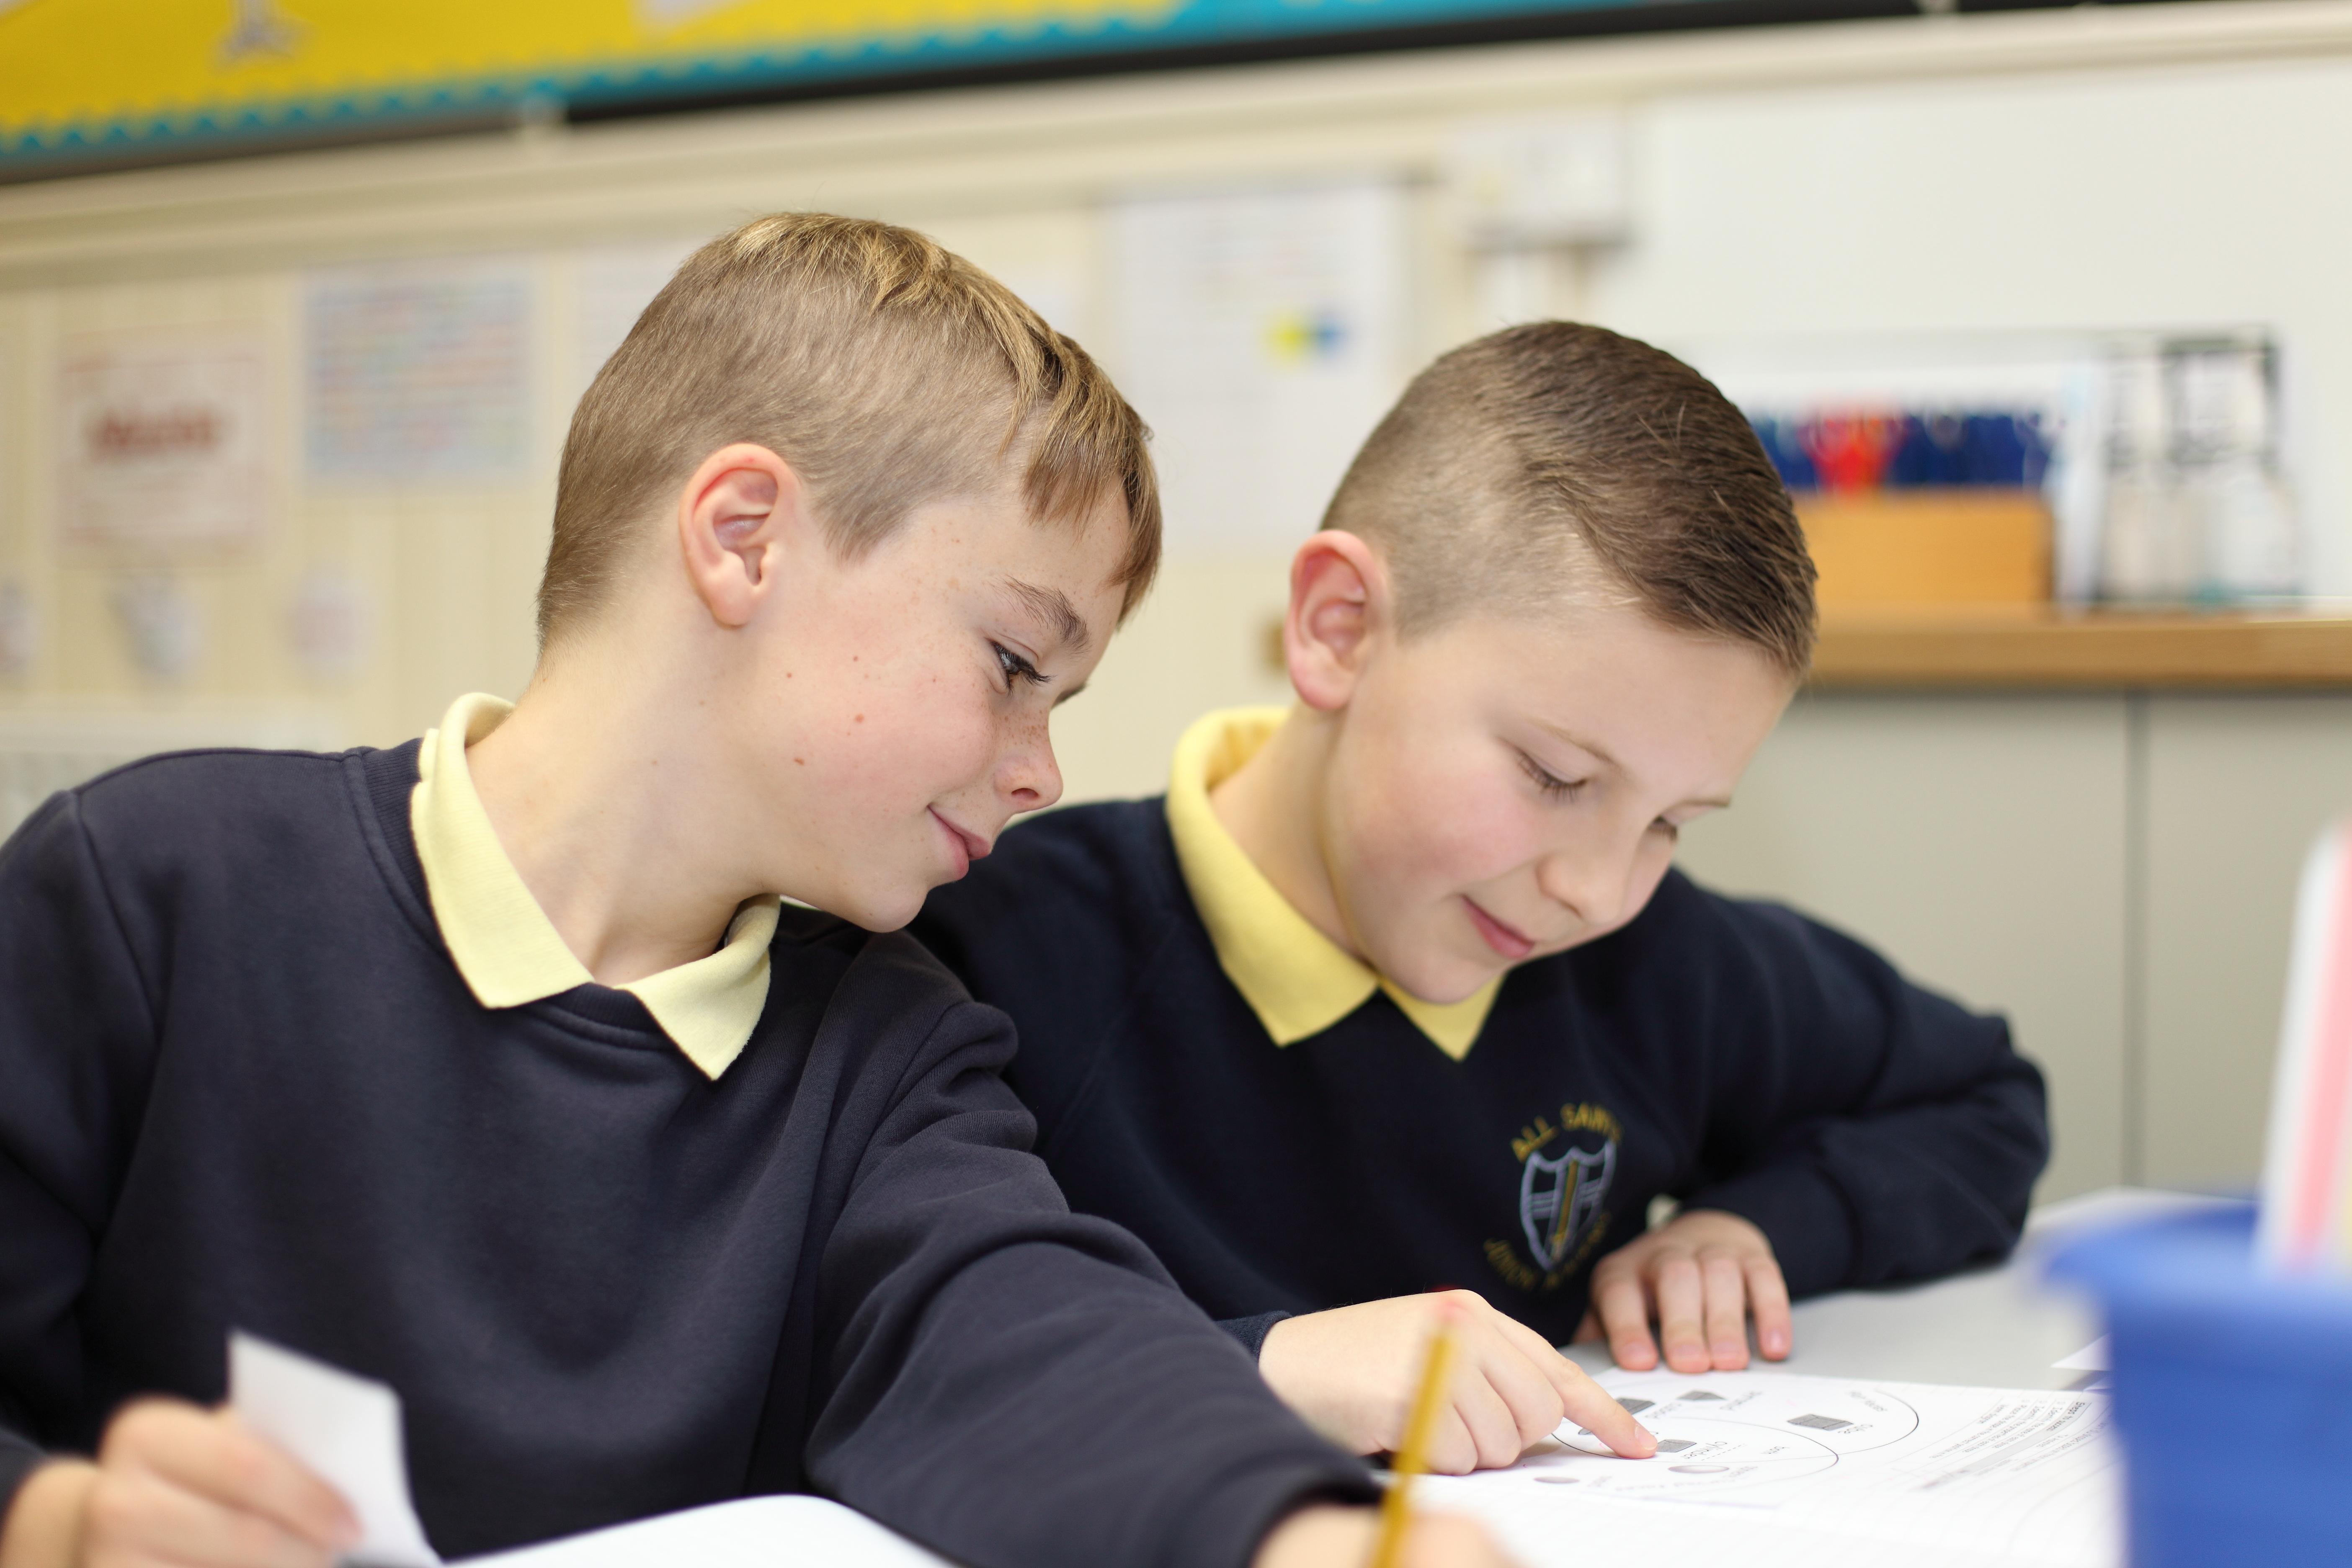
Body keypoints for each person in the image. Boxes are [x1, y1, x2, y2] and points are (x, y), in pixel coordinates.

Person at [0, 215, 1554, 1568]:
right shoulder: (153, 895)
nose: (1043, 773)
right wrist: (52, 1525)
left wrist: (1293, 1533)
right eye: (1015, 664)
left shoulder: (889, 1047)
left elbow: (1028, 1335)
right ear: (744, 540)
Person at [914, 322, 2052, 1472]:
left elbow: (1983, 1099)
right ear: (1339, 629)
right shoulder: (991, 960)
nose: (1597, 890)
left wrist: (1754, 1227)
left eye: (1670, 823)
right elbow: (898, 1347)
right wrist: (1252, 1368)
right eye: (1554, 777)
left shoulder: (1650, 963)